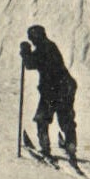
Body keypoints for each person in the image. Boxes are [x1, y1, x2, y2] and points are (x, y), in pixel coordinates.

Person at [19, 25, 78, 159]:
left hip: (53, 89)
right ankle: (71, 145)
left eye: (31, 38)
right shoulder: (49, 46)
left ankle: (45, 147)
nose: (32, 41)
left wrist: (25, 51)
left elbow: (30, 64)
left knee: (43, 118)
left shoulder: (43, 49)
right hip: (66, 86)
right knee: (66, 118)